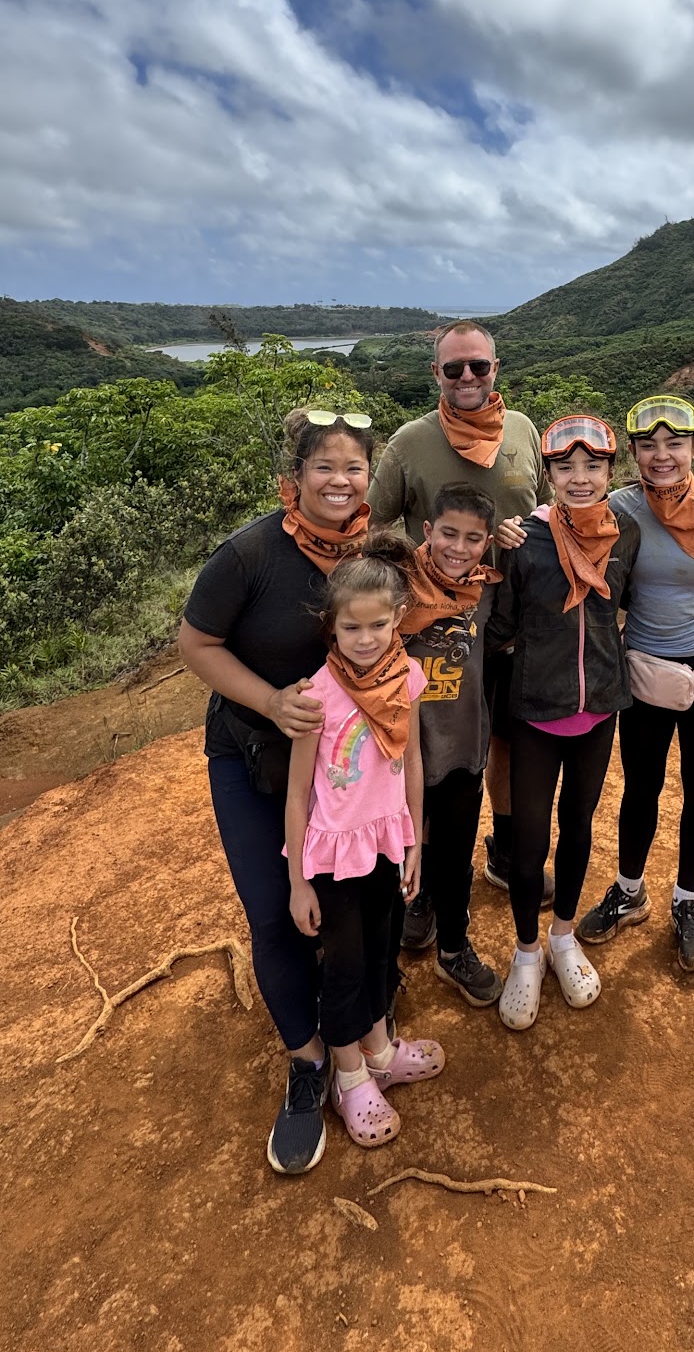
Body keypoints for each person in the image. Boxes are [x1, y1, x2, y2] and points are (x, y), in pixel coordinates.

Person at [179, 406, 377, 1174]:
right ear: (291, 482)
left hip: (342, 770)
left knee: (343, 899)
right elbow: (196, 642)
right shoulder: (251, 554)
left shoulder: (372, 550)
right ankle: (307, 1061)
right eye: (323, 467)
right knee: (273, 909)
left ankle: (361, 1023)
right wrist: (270, 702)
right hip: (251, 755)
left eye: (353, 467)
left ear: (370, 478)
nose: (339, 480)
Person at [367, 320, 550, 925]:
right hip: (441, 634)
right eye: (454, 369)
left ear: (496, 368)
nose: (467, 378)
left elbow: (546, 509)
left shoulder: (523, 431)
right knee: (429, 751)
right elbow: (373, 524)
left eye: (479, 366)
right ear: (436, 375)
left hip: (517, 623)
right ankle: (422, 880)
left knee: (503, 743)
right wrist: (408, 579)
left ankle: (500, 850)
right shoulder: (410, 443)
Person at [576, 395, 694, 972]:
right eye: (648, 446)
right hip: (644, 675)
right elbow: (566, 532)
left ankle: (687, 903)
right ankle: (630, 892)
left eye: (674, 444)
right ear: (632, 453)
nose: (661, 457)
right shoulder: (618, 511)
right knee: (641, 788)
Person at [284, 539, 445, 1153]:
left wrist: (415, 842)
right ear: (332, 625)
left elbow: (412, 762)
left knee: (381, 952)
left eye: (379, 624)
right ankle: (348, 1077)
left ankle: (379, 1052)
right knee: (345, 966)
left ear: (399, 617)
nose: (365, 637)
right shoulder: (315, 697)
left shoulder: (406, 678)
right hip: (333, 856)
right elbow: (298, 795)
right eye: (351, 626)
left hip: (387, 842)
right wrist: (299, 879)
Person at [486, 415, 640, 1031]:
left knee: (578, 826)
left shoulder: (623, 534)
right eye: (565, 467)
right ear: (548, 474)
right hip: (534, 710)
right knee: (527, 841)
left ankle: (563, 936)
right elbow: (497, 626)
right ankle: (526, 951)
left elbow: (628, 605)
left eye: (592, 467)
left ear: (609, 472)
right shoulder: (523, 538)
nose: (579, 479)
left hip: (600, 705)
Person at [397, 484, 505, 1006]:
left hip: (463, 744)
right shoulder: (396, 588)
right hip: (401, 753)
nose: (458, 548)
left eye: (472, 539)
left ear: (487, 543)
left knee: (458, 847)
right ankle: (415, 909)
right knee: (402, 846)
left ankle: (454, 947)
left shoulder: (489, 593)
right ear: (427, 532)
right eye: (448, 534)